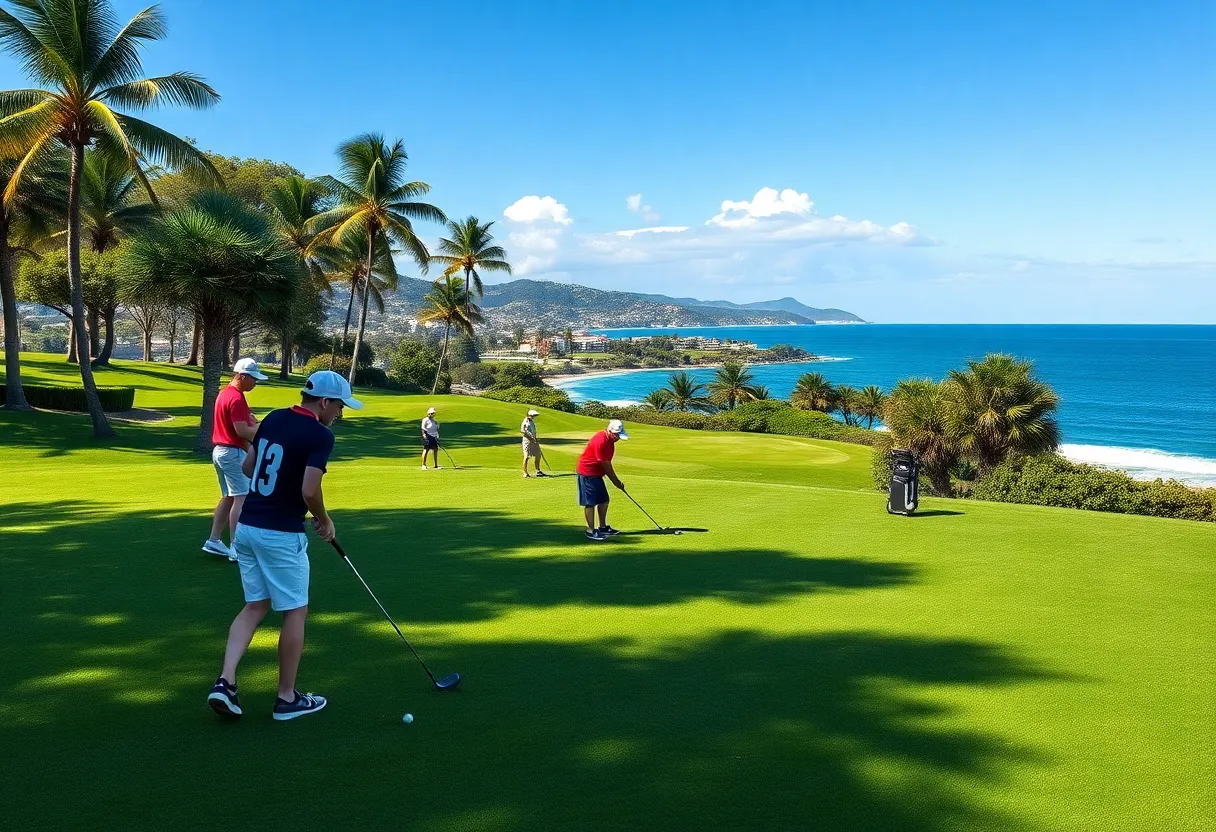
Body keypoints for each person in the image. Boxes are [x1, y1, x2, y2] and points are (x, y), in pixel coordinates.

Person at [207, 370, 362, 722]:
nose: (340, 413)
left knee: (255, 606)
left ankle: (225, 682)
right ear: (324, 402)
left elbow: (248, 465)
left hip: (247, 528)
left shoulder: (274, 418)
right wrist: (324, 519)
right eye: (339, 406)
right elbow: (309, 490)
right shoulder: (320, 435)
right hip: (280, 534)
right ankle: (287, 698)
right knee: (295, 611)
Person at [204, 357, 267, 562]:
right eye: (253, 379)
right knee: (241, 497)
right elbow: (242, 431)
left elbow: (247, 421)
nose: (255, 383)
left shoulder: (226, 394)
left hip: (220, 451)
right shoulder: (236, 398)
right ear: (242, 376)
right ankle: (236, 547)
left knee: (229, 497)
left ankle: (214, 540)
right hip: (232, 452)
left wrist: (255, 425)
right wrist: (262, 432)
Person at [576, 419, 629, 541]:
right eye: (616, 435)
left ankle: (603, 527)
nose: (618, 438)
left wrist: (616, 481)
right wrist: (616, 482)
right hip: (587, 472)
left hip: (597, 473)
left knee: (604, 500)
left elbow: (606, 463)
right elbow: (606, 465)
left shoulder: (610, 440)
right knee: (590, 502)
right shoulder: (601, 441)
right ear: (610, 431)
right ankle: (590, 530)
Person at [521, 409, 546, 478]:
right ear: (529, 415)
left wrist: (535, 439)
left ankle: (538, 471)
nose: (534, 417)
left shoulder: (532, 422)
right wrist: (529, 436)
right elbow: (522, 430)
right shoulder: (525, 421)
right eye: (533, 415)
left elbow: (534, 432)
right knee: (526, 456)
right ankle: (525, 473)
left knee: (538, 454)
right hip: (527, 440)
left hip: (534, 440)